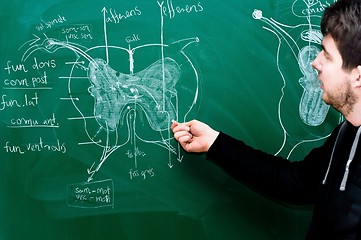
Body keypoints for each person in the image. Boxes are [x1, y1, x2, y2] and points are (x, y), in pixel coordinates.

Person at [171, 0, 361, 239]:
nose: (315, 63)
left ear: (357, 76)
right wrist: (215, 143)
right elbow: (295, 183)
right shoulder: (347, 132)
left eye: (327, 56)